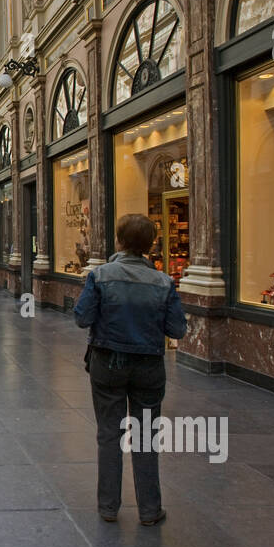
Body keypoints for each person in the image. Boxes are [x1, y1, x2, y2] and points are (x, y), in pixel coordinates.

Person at [74, 213, 187, 526]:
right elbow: (177, 329)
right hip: (148, 367)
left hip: (108, 364)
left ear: (119, 241)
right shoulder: (164, 282)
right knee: (146, 437)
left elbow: (82, 318)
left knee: (109, 434)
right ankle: (150, 510)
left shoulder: (100, 275)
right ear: (149, 245)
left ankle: (109, 507)